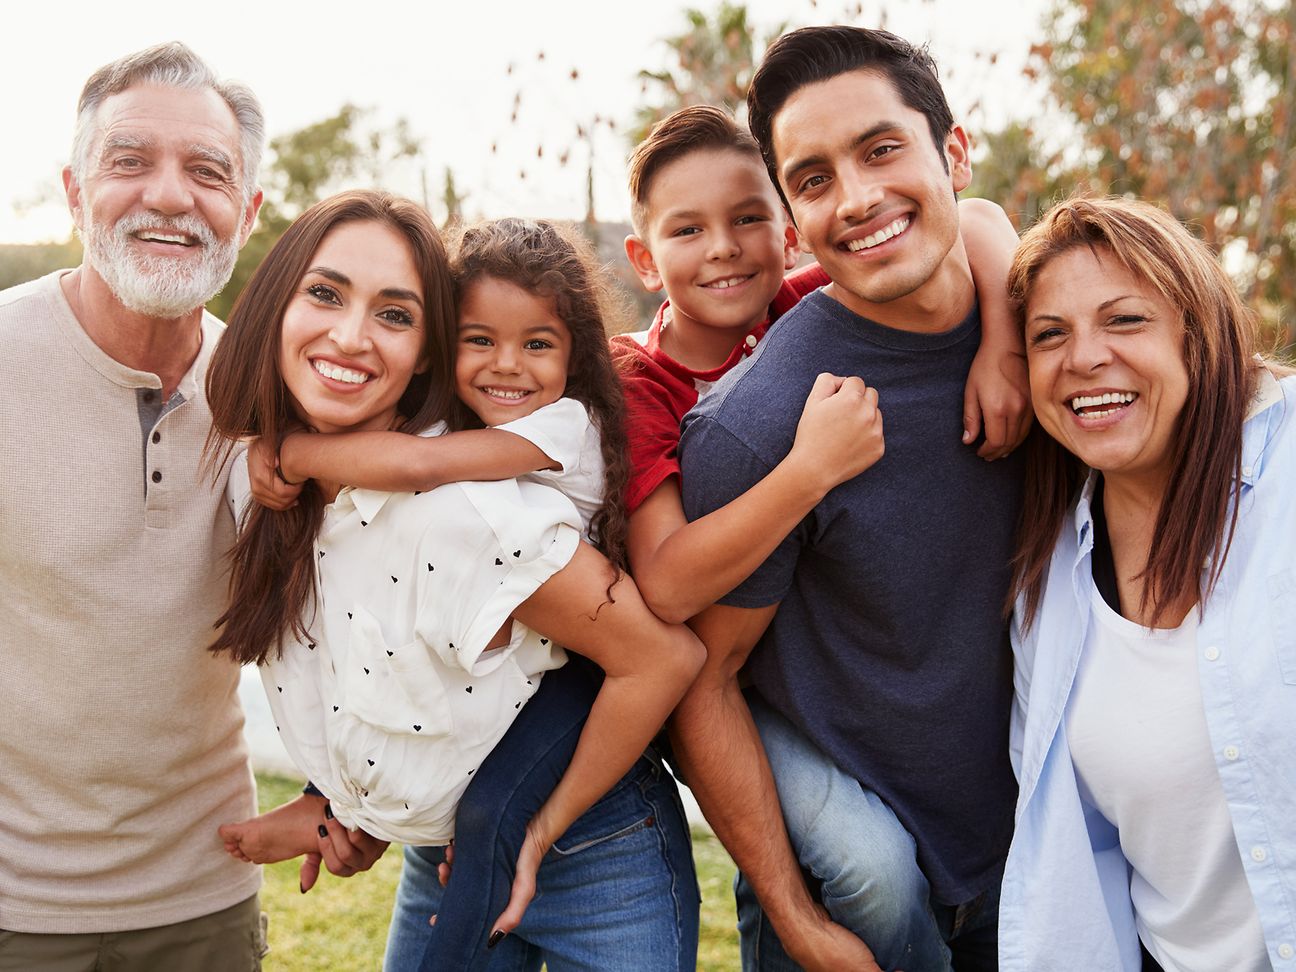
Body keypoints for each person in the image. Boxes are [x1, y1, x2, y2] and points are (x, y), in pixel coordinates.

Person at [207, 201, 706, 972]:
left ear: (422, 351)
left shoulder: (470, 510)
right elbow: (386, 671)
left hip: (594, 845)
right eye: (325, 294)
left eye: (393, 314)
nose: (350, 336)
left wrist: (532, 834)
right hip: (443, 834)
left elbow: (662, 658)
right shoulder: (272, 482)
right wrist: (354, 808)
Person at [672, 26, 1028, 972]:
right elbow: (704, 682)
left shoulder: (1050, 338)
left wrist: (1009, 335)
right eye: (816, 178)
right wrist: (795, 915)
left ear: (952, 152)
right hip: (856, 907)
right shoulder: (762, 429)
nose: (859, 198)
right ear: (792, 217)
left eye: (880, 150)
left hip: (1041, 867)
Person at [0, 42, 270, 970]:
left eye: (207, 171)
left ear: (248, 212)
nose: (169, 195)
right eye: (129, 162)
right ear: (75, 194)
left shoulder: (272, 399)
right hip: (13, 905)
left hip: (206, 898)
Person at [999, 196, 1296, 971]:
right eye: (1049, 336)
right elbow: (1079, 866)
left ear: (1196, 337)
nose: (1085, 357)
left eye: (1125, 320)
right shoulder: (1046, 598)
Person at [615, 104, 1027, 629]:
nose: (723, 248)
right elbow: (667, 587)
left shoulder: (802, 305)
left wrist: (1004, 346)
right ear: (646, 261)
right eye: (688, 230)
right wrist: (811, 470)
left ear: (791, 239)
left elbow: (975, 215)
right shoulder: (635, 378)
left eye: (747, 218)